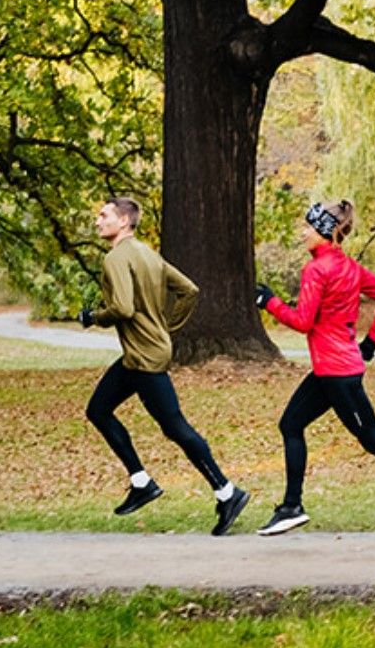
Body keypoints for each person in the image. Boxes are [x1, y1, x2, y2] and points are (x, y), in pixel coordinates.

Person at [254, 200, 375, 538]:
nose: (303, 233)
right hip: (333, 370)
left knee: (373, 439)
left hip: (338, 375)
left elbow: (303, 322)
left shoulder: (316, 270)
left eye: (308, 228)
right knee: (291, 424)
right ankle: (291, 507)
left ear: (324, 231)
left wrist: (270, 302)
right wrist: (370, 344)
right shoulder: (348, 266)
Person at [79, 197, 249, 535]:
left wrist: (94, 318)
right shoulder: (147, 254)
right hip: (144, 354)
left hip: (143, 358)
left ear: (124, 221)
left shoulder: (115, 258)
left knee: (175, 427)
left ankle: (227, 492)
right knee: (98, 409)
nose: (97, 221)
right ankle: (142, 482)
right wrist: (164, 325)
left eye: (104, 215)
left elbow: (124, 308)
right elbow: (189, 290)